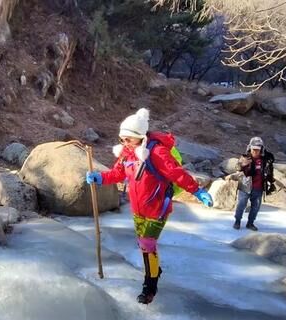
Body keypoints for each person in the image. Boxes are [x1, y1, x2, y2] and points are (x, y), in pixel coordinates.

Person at [85, 108, 213, 305]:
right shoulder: (127, 154)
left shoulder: (156, 152)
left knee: (147, 244)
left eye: (128, 139)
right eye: (121, 139)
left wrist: (197, 191)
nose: (124, 144)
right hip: (137, 208)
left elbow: (176, 173)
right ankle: (154, 268)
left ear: (139, 136)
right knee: (143, 244)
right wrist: (100, 177)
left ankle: (150, 286)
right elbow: (118, 174)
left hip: (157, 208)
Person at [233, 136, 275, 231]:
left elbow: (270, 169)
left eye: (258, 150)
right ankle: (237, 221)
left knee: (255, 207)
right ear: (250, 148)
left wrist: (270, 182)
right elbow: (237, 167)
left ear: (261, 150)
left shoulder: (265, 160)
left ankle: (250, 223)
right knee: (241, 205)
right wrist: (243, 165)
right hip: (245, 186)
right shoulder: (244, 158)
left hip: (258, 187)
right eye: (254, 149)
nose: (255, 152)